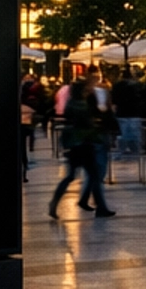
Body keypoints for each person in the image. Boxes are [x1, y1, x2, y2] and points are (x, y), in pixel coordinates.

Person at [48, 66, 115, 219]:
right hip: (84, 144)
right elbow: (88, 125)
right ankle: (101, 208)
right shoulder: (82, 106)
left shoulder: (71, 103)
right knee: (94, 176)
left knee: (71, 176)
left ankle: (54, 203)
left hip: (73, 144)